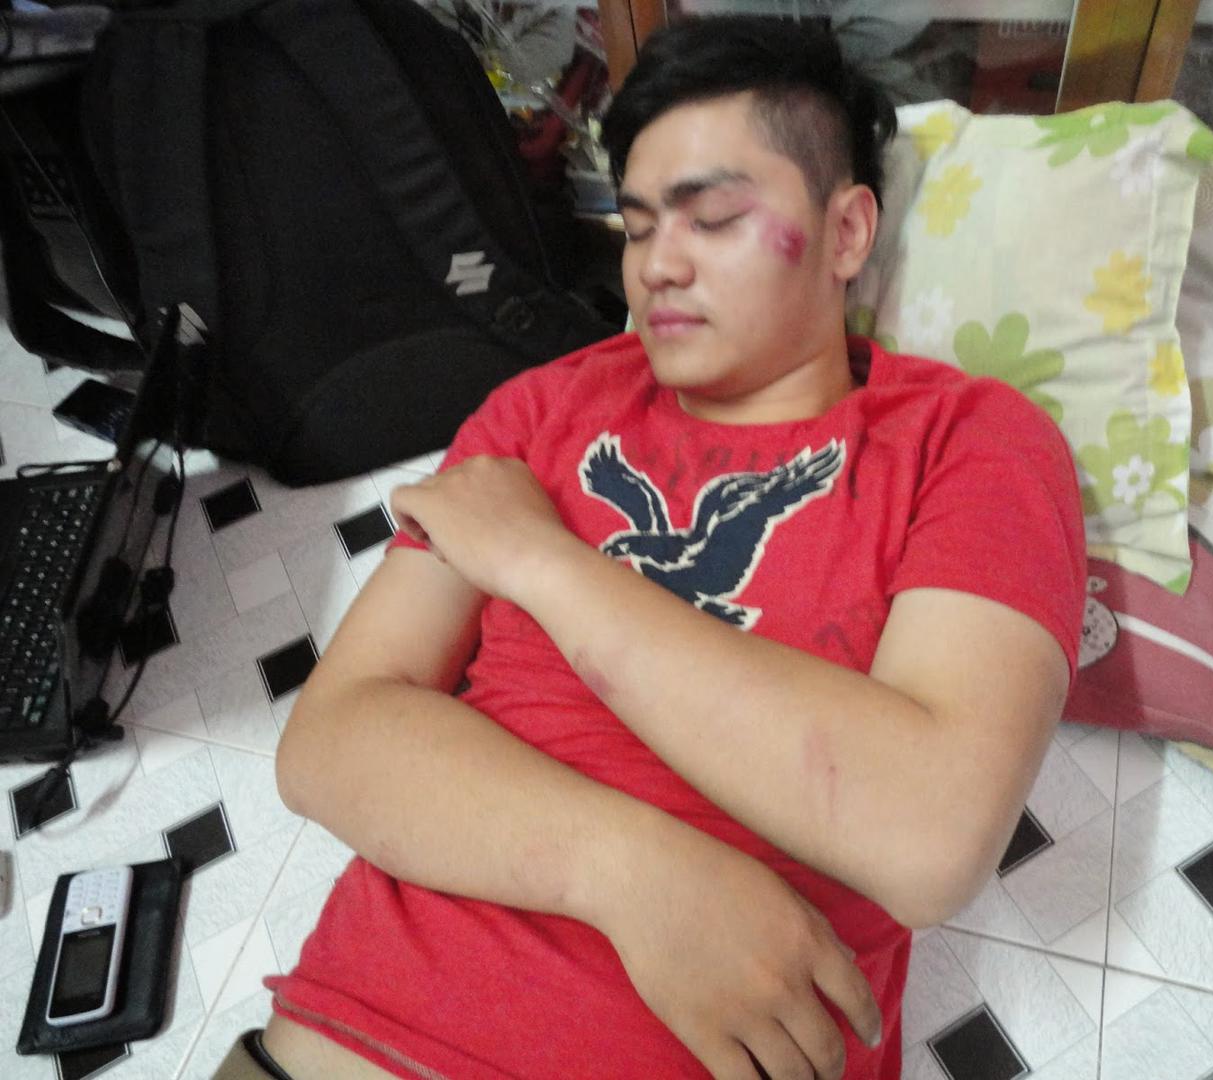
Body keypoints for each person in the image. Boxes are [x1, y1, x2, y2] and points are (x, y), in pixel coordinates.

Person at [224, 15, 1086, 1080]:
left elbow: (931, 835)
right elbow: (330, 742)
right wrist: (632, 874)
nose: (657, 268)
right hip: (349, 1041)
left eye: (713, 218)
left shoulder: (971, 441)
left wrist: (543, 564)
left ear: (847, 233)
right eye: (636, 228)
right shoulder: (539, 411)